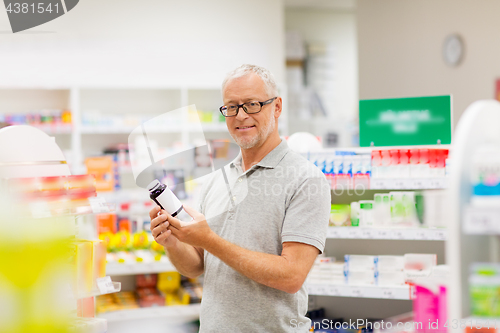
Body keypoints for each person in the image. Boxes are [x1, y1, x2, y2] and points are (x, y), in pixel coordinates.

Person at [149, 64, 331, 332]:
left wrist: (210, 239)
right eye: (231, 106)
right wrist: (173, 242)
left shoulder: (306, 180)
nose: (240, 115)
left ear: (277, 107)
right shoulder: (216, 181)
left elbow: (291, 275)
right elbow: (197, 266)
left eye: (252, 104)